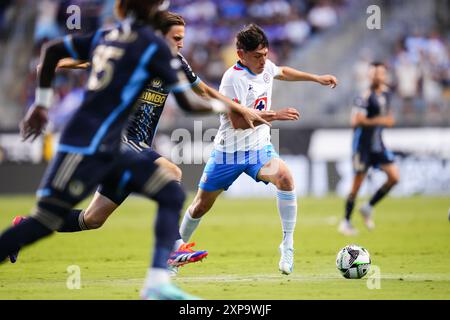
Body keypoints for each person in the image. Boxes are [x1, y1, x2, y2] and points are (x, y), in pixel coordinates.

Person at [0, 0, 234, 300]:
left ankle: (25, 226)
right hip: (107, 141)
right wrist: (49, 88)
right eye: (176, 38)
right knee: (171, 177)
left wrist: (235, 108)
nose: (181, 44)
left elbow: (200, 90)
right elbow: (189, 101)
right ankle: (169, 259)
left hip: (111, 145)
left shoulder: (137, 46)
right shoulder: (141, 47)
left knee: (92, 219)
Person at [170, 24, 338, 275]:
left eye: (265, 55)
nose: (263, 61)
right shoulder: (233, 79)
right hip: (227, 154)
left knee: (285, 178)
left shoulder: (265, 66)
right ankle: (176, 255)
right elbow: (238, 123)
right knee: (199, 207)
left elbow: (282, 72)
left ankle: (287, 244)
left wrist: (316, 78)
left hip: (259, 151)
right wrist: (276, 115)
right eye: (257, 56)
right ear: (241, 54)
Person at [338, 62, 399, 236]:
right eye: (373, 74)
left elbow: (389, 118)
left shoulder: (387, 94)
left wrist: (386, 121)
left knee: (394, 177)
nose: (376, 77)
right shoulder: (364, 96)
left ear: (384, 76)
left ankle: (368, 207)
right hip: (362, 146)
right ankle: (346, 221)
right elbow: (356, 121)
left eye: (379, 73)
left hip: (378, 145)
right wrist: (381, 121)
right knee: (357, 186)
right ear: (369, 76)